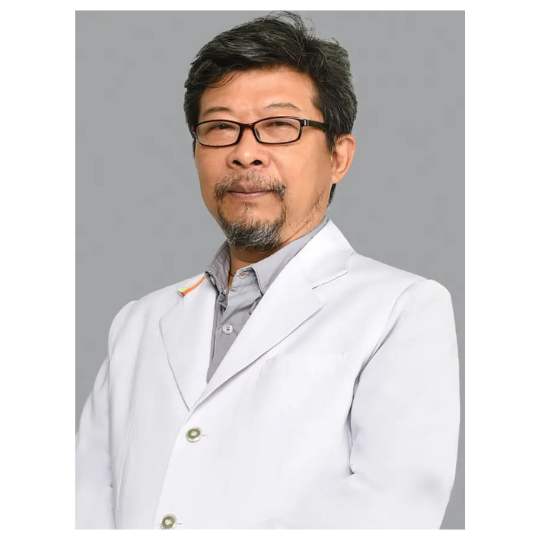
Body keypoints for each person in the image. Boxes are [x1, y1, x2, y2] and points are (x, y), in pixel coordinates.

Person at [76, 12, 460, 529]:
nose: (245, 153)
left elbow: (392, 509)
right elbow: (86, 500)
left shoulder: (401, 309)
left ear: (339, 156)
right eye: (220, 128)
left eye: (279, 126)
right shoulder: (138, 322)